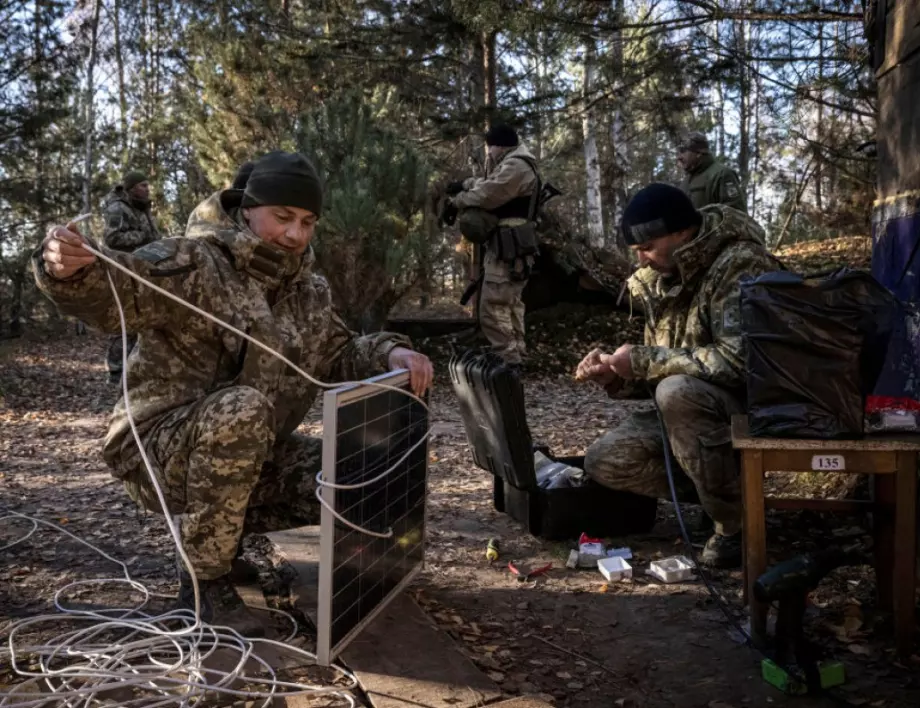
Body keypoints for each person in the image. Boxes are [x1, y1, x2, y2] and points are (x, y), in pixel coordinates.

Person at [34, 151, 434, 634]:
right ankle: (204, 585)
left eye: (308, 222)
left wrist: (391, 354)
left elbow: (338, 351)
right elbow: (113, 289)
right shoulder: (191, 261)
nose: (295, 235)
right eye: (282, 217)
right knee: (242, 410)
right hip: (154, 447)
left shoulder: (308, 290)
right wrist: (67, 270)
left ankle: (222, 537)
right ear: (247, 208)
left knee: (353, 475)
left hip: (241, 450)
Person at [575, 183, 780, 568]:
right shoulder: (661, 276)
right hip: (691, 415)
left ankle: (734, 525)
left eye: (648, 247)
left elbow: (739, 361)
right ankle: (723, 491)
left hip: (749, 410)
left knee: (676, 391)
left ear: (683, 232)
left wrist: (644, 360)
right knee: (605, 460)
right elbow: (669, 362)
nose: (642, 259)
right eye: (637, 251)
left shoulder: (740, 264)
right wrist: (617, 378)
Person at [448, 123, 540, 369]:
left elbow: (489, 194)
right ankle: (517, 356)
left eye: (490, 148)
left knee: (493, 305)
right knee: (510, 303)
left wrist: (457, 202)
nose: (488, 153)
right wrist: (465, 184)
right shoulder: (516, 163)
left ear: (498, 146)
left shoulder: (516, 166)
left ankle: (508, 361)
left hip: (508, 245)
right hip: (512, 245)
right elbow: (490, 183)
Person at [102, 170, 161, 383]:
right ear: (132, 188)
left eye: (147, 185)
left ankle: (136, 369)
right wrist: (143, 237)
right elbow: (111, 238)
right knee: (124, 321)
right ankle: (116, 372)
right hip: (123, 271)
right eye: (143, 185)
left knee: (143, 319)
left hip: (142, 271)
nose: (147, 189)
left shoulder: (142, 208)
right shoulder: (118, 208)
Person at [677, 132, 747, 214]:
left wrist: (701, 220)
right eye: (678, 152)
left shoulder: (722, 174)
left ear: (699, 153)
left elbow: (736, 213)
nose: (679, 157)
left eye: (683, 151)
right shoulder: (685, 181)